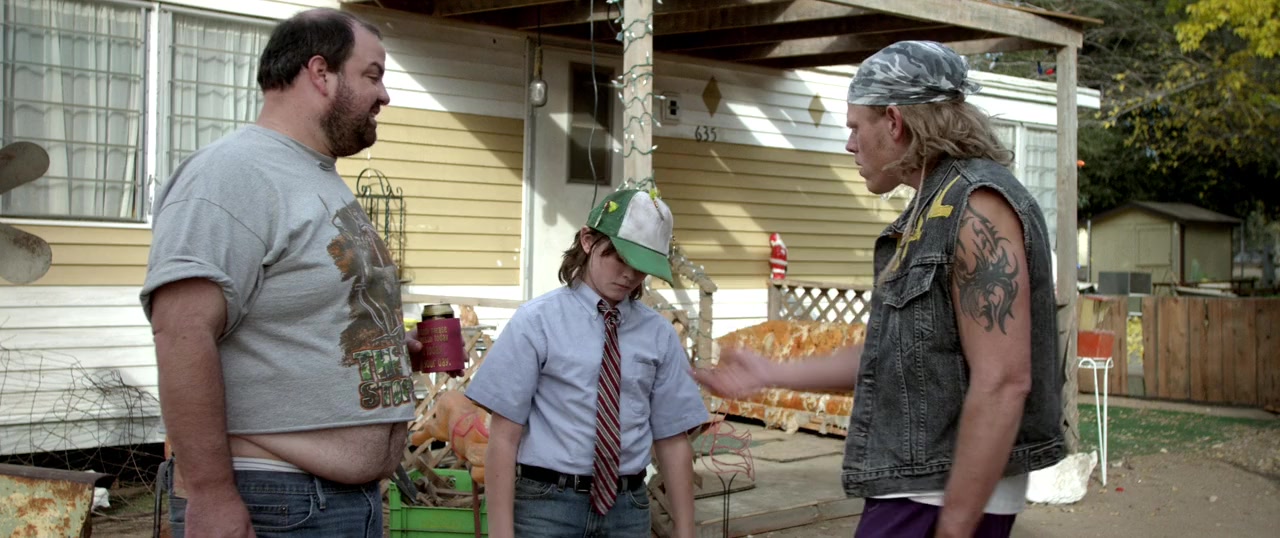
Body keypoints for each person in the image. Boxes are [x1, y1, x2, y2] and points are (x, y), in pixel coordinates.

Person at [693, 41, 1064, 538]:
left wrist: (956, 523)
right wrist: (771, 372)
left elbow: (1003, 381)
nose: (850, 144)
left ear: (893, 121)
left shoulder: (977, 205)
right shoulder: (931, 208)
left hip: (943, 493)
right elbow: (890, 354)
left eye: (854, 126)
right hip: (918, 483)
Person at [141, 8, 414, 537]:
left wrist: (384, 347)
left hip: (333, 501)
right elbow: (181, 330)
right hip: (275, 499)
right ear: (321, 73)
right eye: (373, 75)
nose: (384, 96)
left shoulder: (311, 174)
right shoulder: (233, 172)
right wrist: (211, 493)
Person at [466, 188, 709, 538]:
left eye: (642, 267)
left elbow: (672, 437)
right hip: (546, 506)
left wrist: (685, 530)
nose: (629, 275)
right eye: (620, 258)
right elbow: (504, 437)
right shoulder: (537, 322)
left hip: (628, 508)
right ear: (588, 240)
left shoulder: (658, 334)